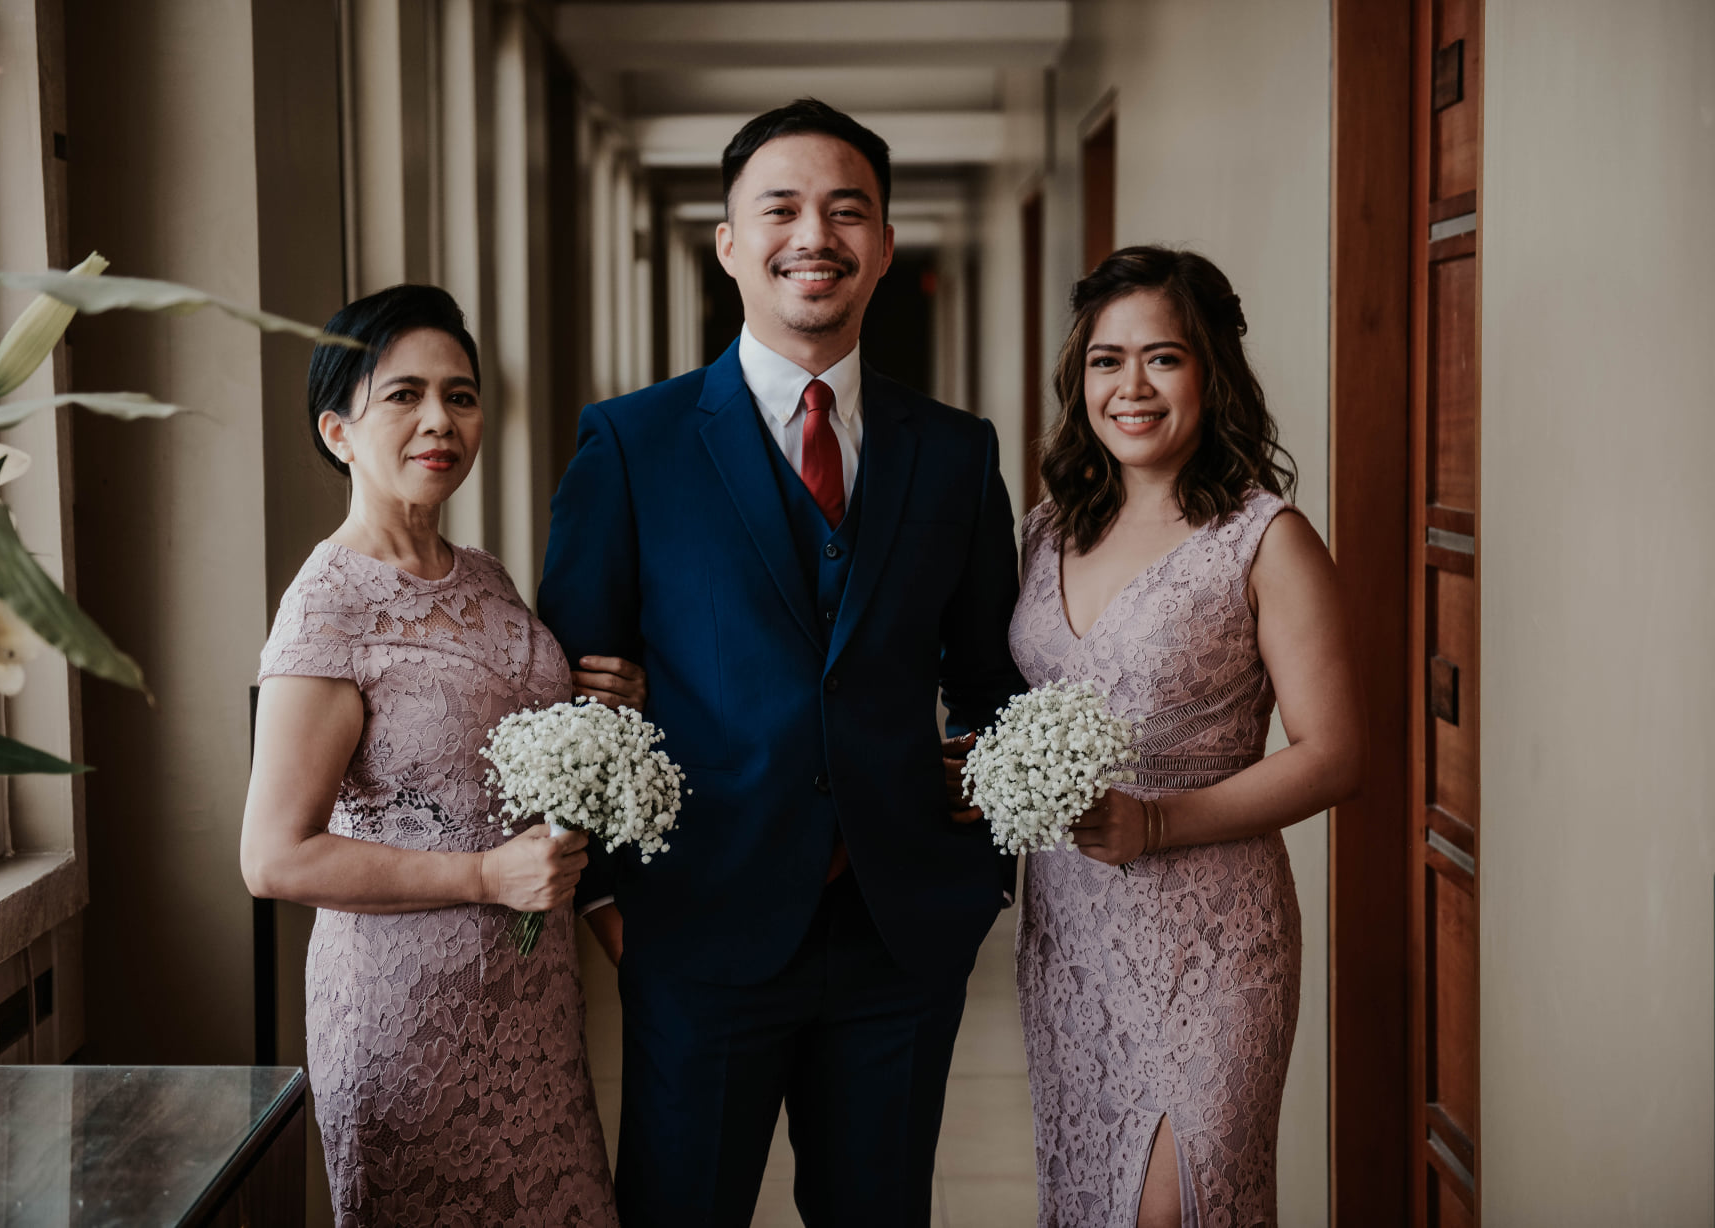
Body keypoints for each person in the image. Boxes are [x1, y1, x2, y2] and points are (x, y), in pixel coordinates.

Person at [537, 99, 1025, 1227]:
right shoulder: (632, 443)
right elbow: (569, 695)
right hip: (696, 925)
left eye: (847, 211)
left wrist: (977, 869)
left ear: (885, 246)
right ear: (728, 242)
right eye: (782, 209)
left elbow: (990, 683)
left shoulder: (956, 452)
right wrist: (608, 899)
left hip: (898, 937)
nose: (816, 235)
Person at [239, 284, 645, 1227]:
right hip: (407, 1019)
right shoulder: (328, 605)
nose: (440, 421)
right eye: (404, 396)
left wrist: (603, 704)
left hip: (532, 1003)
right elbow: (273, 858)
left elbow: (511, 752)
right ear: (338, 431)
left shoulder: (487, 578)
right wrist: (486, 876)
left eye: (460, 396)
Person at [1009, 247, 1363, 1228]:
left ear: (1211, 374)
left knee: (1173, 1210)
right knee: (1091, 1203)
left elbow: (1335, 753)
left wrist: (1157, 824)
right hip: (1068, 934)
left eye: (1162, 358)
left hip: (1211, 941)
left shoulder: (1265, 538)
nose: (1130, 387)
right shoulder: (1045, 532)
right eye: (1106, 360)